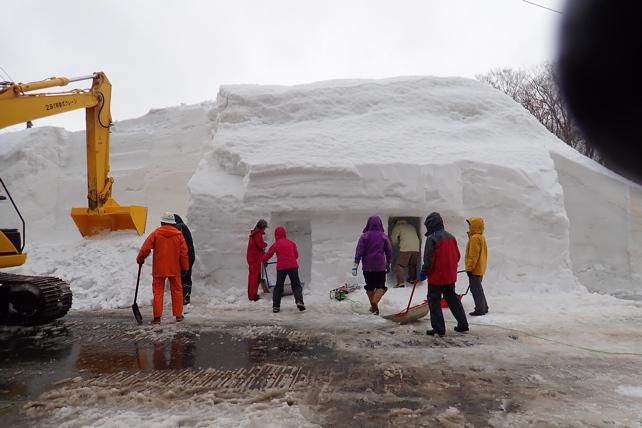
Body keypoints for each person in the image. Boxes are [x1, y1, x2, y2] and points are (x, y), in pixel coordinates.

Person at [420, 212, 468, 337]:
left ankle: (439, 329)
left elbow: (429, 260)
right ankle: (463, 324)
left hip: (436, 277)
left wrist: (424, 272)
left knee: (434, 301)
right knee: (452, 299)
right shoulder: (451, 237)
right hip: (449, 276)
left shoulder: (432, 239)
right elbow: (457, 256)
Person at [137, 212, 189, 324]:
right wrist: (185, 267)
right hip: (174, 268)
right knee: (177, 291)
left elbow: (145, 248)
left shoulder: (156, 234)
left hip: (159, 269)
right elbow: (184, 253)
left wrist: (140, 259)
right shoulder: (179, 235)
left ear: (162, 222)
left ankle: (157, 317)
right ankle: (179, 315)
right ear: (173, 223)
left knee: (158, 292)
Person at [352, 215, 392, 315]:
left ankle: (374, 307)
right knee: (381, 287)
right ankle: (374, 303)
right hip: (380, 267)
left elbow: (359, 251)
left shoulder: (364, 236)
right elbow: (389, 251)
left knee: (370, 287)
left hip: (367, 267)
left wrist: (355, 264)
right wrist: (388, 263)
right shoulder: (383, 236)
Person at [263, 226, 305, 313]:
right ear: (285, 234)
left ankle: (276, 306)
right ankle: (299, 301)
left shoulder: (276, 244)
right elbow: (296, 255)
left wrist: (264, 260)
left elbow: (268, 254)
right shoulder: (291, 243)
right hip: (293, 266)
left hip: (281, 267)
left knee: (279, 286)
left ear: (276, 235)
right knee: (296, 285)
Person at [465, 217, 488, 316]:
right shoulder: (481, 237)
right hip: (479, 268)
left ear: (475, 226)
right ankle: (484, 307)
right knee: (478, 289)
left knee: (476, 289)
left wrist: (469, 268)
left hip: (475, 269)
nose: (469, 227)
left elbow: (473, 255)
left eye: (470, 225)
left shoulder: (475, 238)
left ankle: (480, 309)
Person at [389, 218, 421, 288]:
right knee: (412, 264)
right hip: (416, 247)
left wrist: (394, 244)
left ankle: (400, 282)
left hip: (406, 248)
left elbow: (393, 238)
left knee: (399, 265)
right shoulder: (411, 226)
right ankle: (412, 279)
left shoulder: (398, 226)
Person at [173, 213, 195, 305]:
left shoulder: (179, 227)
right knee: (187, 276)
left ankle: (184, 298)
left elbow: (180, 245)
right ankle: (186, 296)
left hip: (185, 256)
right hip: (190, 255)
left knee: (183, 276)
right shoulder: (183, 227)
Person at [247, 219, 268, 302]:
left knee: (255, 277)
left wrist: (264, 257)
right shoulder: (257, 234)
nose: (265, 230)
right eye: (264, 228)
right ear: (262, 227)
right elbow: (260, 245)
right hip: (254, 259)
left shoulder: (256, 234)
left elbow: (259, 248)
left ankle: (253, 294)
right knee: (254, 278)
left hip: (255, 258)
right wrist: (265, 244)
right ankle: (252, 296)